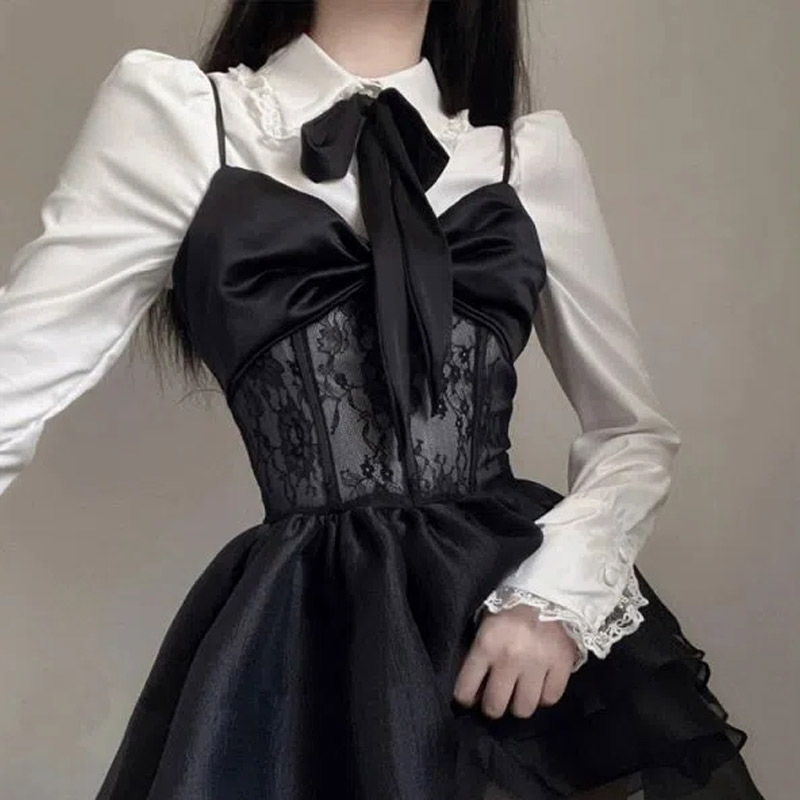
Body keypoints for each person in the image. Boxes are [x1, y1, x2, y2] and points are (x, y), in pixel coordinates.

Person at [0, 2, 765, 799]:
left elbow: (632, 432)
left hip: (504, 627)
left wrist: (556, 601)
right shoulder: (183, 119)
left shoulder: (527, 157)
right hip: (305, 640)